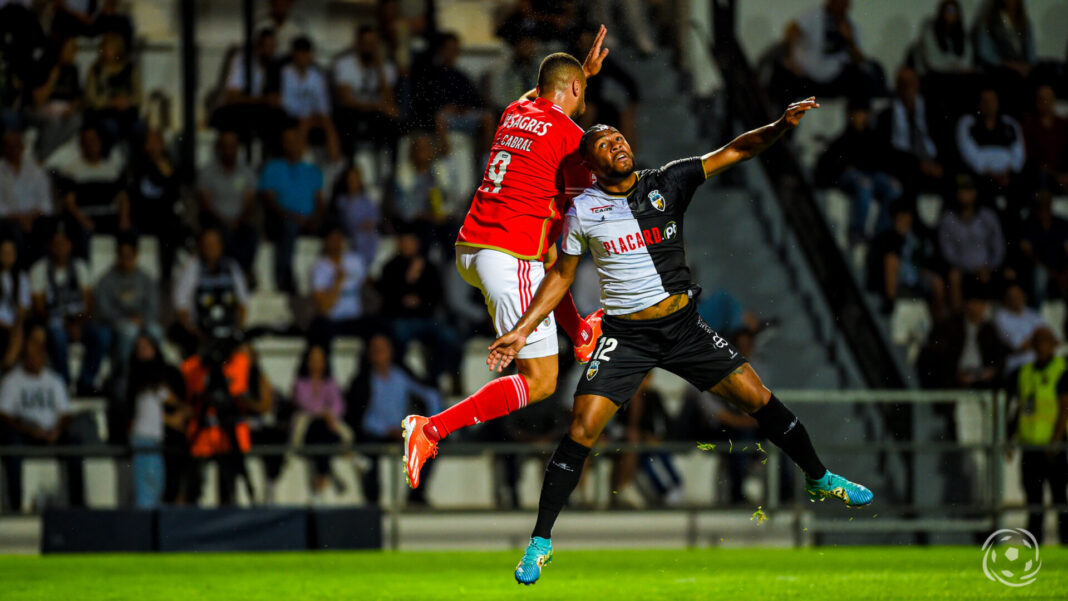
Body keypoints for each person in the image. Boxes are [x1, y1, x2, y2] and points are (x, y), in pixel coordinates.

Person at [488, 103, 873, 584]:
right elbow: (561, 276)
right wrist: (523, 329)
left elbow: (735, 151)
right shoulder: (582, 210)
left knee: (758, 398)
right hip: (626, 337)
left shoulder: (667, 182)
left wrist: (778, 126)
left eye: (620, 138)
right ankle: (540, 542)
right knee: (583, 427)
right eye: (606, 144)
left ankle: (819, 478)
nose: (619, 145)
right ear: (591, 164)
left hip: (684, 328)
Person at [401, 31, 612, 490]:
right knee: (540, 381)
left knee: (551, 247)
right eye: (583, 90)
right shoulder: (572, 137)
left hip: (471, 246)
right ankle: (431, 429)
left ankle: (578, 331)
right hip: (505, 254)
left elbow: (546, 89)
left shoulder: (515, 112)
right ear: (575, 89)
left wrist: (580, 71)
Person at [346, 334, 441, 506]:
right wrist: (386, 430)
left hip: (402, 432)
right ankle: (373, 500)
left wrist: (432, 421)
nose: (380, 355)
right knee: (368, 451)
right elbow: (359, 418)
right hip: (374, 433)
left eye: (383, 350)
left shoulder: (401, 376)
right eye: (376, 351)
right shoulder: (362, 381)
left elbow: (430, 395)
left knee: (431, 445)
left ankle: (416, 495)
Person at [0, 326, 83, 512]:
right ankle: (15, 505)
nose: (36, 360)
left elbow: (65, 413)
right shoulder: (12, 380)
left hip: (51, 431)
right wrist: (30, 430)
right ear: (24, 358)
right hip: (25, 432)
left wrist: (57, 430)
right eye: (31, 356)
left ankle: (78, 504)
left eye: (39, 355)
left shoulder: (53, 380)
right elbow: (4, 415)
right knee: (12, 446)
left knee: (76, 442)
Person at [1008, 326, 1068, 544]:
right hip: (1031, 447)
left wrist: (1056, 441)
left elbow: (1064, 408)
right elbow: (1020, 407)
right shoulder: (1024, 373)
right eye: (1038, 342)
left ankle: (1065, 546)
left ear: (1054, 344)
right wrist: (1010, 439)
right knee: (1033, 503)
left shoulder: (1062, 369)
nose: (1042, 346)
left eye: (1045, 341)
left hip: (1054, 447)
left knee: (1060, 500)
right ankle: (1034, 549)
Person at [29, 228, 108, 394]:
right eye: (56, 244)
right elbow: (39, 309)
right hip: (53, 321)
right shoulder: (40, 269)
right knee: (57, 335)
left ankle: (86, 381)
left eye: (63, 243)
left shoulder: (80, 267)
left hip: (78, 320)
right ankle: (63, 382)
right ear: (50, 246)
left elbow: (88, 306)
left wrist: (77, 324)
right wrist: (63, 324)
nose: (60, 248)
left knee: (102, 335)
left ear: (70, 245)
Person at [378, 229, 461, 386]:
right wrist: (409, 278)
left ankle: (433, 378)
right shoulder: (390, 267)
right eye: (403, 241)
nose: (406, 245)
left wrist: (420, 301)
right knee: (397, 339)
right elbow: (388, 298)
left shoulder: (429, 267)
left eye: (410, 241)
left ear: (417, 243)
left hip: (427, 319)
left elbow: (437, 296)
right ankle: (406, 380)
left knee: (450, 337)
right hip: (401, 320)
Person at [816, 97, 901, 243]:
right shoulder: (845, 136)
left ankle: (883, 233)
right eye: (857, 113)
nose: (860, 117)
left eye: (863, 113)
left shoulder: (873, 137)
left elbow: (879, 162)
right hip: (850, 177)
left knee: (894, 188)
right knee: (865, 184)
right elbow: (834, 163)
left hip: (870, 174)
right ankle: (857, 230)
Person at [258, 126, 326, 293]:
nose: (292, 145)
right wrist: (295, 217)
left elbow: (319, 201)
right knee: (288, 227)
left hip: (309, 220)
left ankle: (326, 280)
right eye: (287, 141)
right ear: (282, 144)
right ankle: (284, 278)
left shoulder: (312, 170)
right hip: (282, 219)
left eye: (295, 141)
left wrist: (315, 219)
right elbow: (270, 202)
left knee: (335, 226)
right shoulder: (272, 168)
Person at [49, 125, 129, 260]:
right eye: (87, 141)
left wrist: (124, 218)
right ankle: (86, 273)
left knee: (129, 232)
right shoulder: (71, 170)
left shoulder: (111, 168)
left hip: (108, 214)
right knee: (79, 231)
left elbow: (123, 197)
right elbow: (69, 203)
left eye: (94, 140)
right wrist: (84, 220)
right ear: (81, 145)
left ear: (100, 142)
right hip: (84, 216)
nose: (91, 145)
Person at [126, 333, 186, 508]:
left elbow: (167, 406)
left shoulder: (154, 381)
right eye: (140, 349)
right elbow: (169, 403)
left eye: (147, 347)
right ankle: (146, 529)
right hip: (146, 439)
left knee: (154, 486)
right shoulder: (143, 381)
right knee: (148, 488)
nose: (143, 352)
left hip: (152, 439)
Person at [171, 228, 249, 358]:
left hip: (229, 330)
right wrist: (194, 331)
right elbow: (180, 303)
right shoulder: (193, 267)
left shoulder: (231, 266)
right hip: (201, 332)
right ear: (201, 247)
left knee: (246, 352)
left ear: (221, 246)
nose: (210, 248)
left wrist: (237, 331)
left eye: (214, 244)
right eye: (207, 244)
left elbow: (243, 302)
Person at [291, 345, 352, 503]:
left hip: (325, 429)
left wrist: (328, 415)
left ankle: (321, 480)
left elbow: (339, 405)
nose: (316, 363)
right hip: (308, 430)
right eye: (313, 360)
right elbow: (305, 404)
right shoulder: (300, 383)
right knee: (319, 429)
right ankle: (330, 475)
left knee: (322, 437)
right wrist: (325, 413)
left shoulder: (329, 383)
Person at [93, 232, 160, 375]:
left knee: (156, 332)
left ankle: (155, 373)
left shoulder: (145, 279)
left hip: (143, 322)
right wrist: (126, 319)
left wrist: (142, 320)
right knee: (128, 331)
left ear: (136, 255)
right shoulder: (106, 280)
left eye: (129, 256)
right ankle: (123, 373)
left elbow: (153, 306)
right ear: (117, 255)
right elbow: (104, 310)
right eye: (122, 256)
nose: (125, 260)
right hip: (118, 324)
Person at [332, 24, 400, 161]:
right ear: (358, 44)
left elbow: (390, 103)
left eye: (373, 44)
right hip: (353, 111)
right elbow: (347, 100)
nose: (369, 47)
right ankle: (349, 167)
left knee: (394, 121)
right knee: (347, 118)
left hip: (375, 113)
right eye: (366, 43)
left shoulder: (386, 67)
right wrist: (377, 106)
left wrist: (380, 68)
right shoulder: (344, 64)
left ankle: (391, 170)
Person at [938, 174, 1005, 311]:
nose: (965, 195)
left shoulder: (987, 216)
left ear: (975, 193)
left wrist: (989, 267)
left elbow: (998, 246)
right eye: (962, 191)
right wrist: (969, 268)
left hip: (988, 269)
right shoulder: (948, 219)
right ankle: (958, 319)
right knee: (954, 276)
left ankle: (995, 321)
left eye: (969, 190)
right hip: (962, 269)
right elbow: (947, 251)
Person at [866, 202, 945, 318]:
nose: (903, 221)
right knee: (891, 261)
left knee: (937, 282)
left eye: (906, 217)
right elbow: (878, 263)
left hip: (916, 278)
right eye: (900, 218)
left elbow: (926, 259)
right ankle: (889, 306)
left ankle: (938, 320)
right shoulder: (886, 237)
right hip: (895, 280)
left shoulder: (917, 238)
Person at [197, 130, 259, 278]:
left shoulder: (247, 173)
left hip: (239, 221)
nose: (228, 150)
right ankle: (233, 273)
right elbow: (205, 204)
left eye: (232, 146)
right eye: (225, 146)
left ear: (238, 148)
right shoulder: (207, 172)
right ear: (219, 148)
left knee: (251, 234)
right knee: (222, 234)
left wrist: (237, 221)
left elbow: (249, 204)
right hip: (216, 220)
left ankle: (243, 273)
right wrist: (225, 221)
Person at [307, 225, 372, 353]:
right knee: (319, 328)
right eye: (332, 239)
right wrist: (337, 283)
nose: (336, 243)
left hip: (355, 319)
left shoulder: (355, 260)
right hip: (333, 321)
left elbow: (370, 284)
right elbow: (324, 308)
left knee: (377, 327)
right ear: (325, 242)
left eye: (339, 238)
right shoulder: (319, 267)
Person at [127, 129, 180, 282]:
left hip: (162, 216)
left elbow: (175, 193)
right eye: (150, 141)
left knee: (171, 229)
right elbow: (128, 191)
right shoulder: (137, 163)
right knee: (129, 232)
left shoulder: (169, 163)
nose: (153, 145)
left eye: (157, 141)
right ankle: (131, 273)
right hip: (141, 215)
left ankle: (166, 275)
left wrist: (163, 167)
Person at [279, 36, 340, 161]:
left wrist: (316, 116)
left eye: (305, 53)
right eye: (299, 53)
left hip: (314, 117)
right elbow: (286, 103)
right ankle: (299, 160)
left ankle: (336, 162)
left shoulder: (317, 76)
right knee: (304, 124)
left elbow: (323, 106)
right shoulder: (285, 73)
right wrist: (306, 115)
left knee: (328, 124)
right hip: (292, 117)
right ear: (294, 55)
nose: (302, 58)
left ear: (310, 55)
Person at [0, 129, 53, 259]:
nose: (13, 150)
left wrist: (28, 218)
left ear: (22, 147)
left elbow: (45, 203)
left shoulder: (35, 170)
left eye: (16, 146)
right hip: (9, 220)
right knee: (14, 230)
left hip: (34, 218)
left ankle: (40, 268)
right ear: (3, 149)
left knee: (45, 226)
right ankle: (20, 269)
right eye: (9, 146)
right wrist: (19, 218)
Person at [1022, 84, 1068, 193]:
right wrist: (1056, 175)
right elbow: (1030, 156)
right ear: (1037, 101)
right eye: (1042, 99)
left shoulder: (1064, 124)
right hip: (1042, 174)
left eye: (1049, 99)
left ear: (1054, 101)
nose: (1046, 103)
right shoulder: (1029, 125)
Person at [332, 165, 379, 268]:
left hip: (366, 231)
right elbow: (345, 218)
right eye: (350, 179)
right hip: (351, 231)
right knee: (360, 237)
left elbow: (374, 218)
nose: (352, 182)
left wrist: (369, 224)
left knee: (371, 236)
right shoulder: (342, 200)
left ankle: (367, 266)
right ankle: (361, 267)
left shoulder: (366, 200)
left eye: (355, 179)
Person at [995, 283, 1046, 374]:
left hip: (1039, 363)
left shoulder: (1032, 314)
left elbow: (1047, 337)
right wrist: (1039, 342)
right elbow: (1021, 345)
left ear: (1024, 296)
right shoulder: (1001, 317)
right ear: (1005, 299)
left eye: (1018, 295)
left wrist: (1038, 342)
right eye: (1011, 296)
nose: (1015, 299)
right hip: (1017, 366)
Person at [0, 238, 28, 368]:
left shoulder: (21, 277)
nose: (7, 256)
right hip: (2, 323)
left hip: (13, 324)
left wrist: (16, 324)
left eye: (10, 253)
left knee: (19, 331)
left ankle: (7, 366)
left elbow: (23, 307)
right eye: (3, 253)